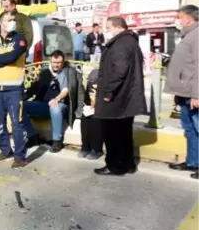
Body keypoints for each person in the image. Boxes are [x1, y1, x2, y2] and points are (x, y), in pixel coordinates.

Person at [94, 16, 147, 176]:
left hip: (117, 97)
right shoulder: (131, 42)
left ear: (117, 27)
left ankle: (114, 165)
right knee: (124, 132)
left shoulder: (120, 44)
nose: (107, 32)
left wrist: (109, 92)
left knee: (112, 133)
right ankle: (127, 163)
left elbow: (119, 71)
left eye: (108, 28)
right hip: (126, 97)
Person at [0, 11, 28, 168]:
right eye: (10, 20)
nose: (13, 22)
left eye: (14, 19)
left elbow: (13, 57)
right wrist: (1, 60)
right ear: (2, 23)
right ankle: (5, 150)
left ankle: (20, 157)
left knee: (17, 123)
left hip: (14, 89)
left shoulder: (19, 39)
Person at [23, 50, 84, 153]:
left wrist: (57, 99)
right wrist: (21, 98)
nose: (56, 65)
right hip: (43, 104)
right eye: (54, 62)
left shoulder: (68, 72)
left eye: (59, 62)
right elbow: (34, 88)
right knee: (20, 106)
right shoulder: (45, 72)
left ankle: (57, 141)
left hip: (61, 105)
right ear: (50, 61)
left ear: (63, 62)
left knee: (55, 107)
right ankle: (32, 136)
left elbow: (66, 89)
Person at [164, 5, 199, 180]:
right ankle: (193, 161)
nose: (177, 21)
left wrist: (197, 94)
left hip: (194, 92)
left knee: (198, 128)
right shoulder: (187, 35)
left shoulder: (197, 35)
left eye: (180, 17)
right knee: (190, 130)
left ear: (188, 18)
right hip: (185, 91)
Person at [79, 68, 104, 160]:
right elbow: (90, 91)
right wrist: (92, 98)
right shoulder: (96, 72)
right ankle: (85, 146)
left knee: (96, 118)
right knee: (85, 116)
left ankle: (96, 149)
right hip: (93, 105)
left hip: (108, 105)